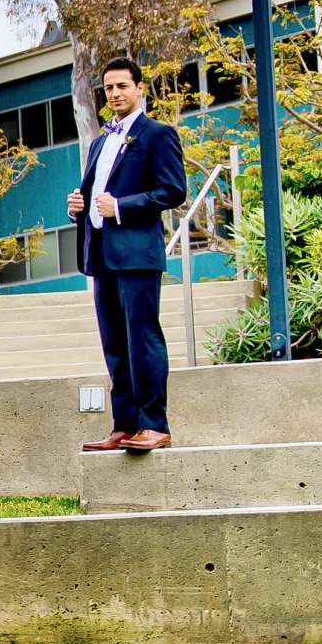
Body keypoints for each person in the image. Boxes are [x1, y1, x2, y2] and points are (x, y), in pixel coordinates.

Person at [69, 55, 188, 454]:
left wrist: (119, 206)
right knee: (114, 344)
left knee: (142, 339)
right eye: (109, 87)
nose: (115, 93)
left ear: (139, 89)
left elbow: (172, 191)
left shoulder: (158, 135)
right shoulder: (100, 143)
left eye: (122, 86)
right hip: (101, 255)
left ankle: (154, 424)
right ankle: (123, 425)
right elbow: (94, 196)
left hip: (137, 255)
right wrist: (78, 206)